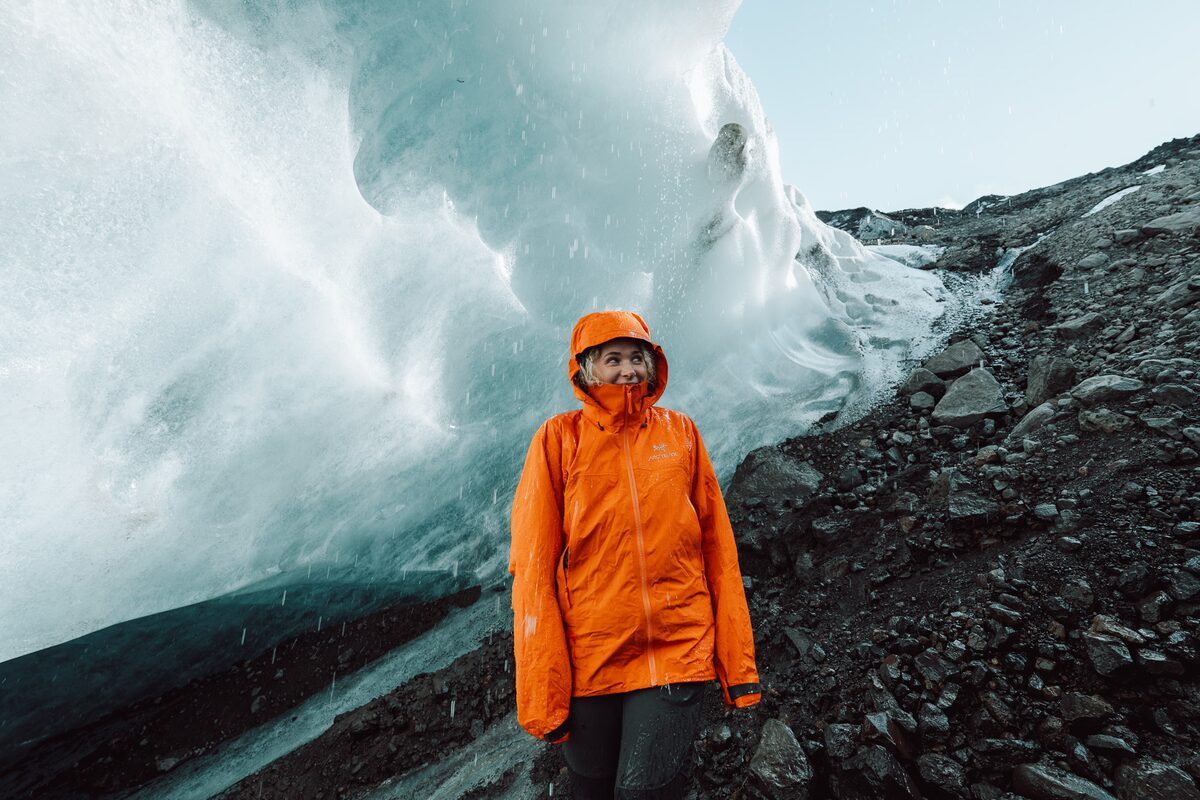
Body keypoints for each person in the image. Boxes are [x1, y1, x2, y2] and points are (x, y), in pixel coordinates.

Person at [509, 310, 761, 799]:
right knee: (590, 787)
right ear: (586, 369)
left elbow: (718, 550)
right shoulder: (558, 440)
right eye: (613, 359)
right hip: (592, 652)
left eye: (636, 358)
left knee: (644, 793)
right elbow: (533, 566)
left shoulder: (680, 433)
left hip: (676, 647)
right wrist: (544, 688)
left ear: (651, 365)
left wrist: (738, 666)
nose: (628, 370)